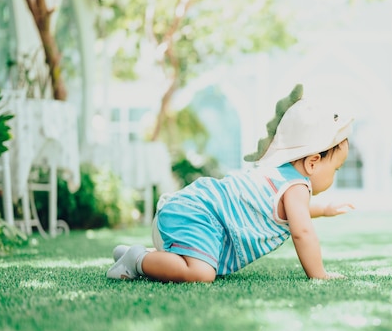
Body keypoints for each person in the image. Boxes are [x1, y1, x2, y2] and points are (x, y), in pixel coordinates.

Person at [106, 84, 354, 283]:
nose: (334, 176)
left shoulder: (280, 177)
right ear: (312, 163)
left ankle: (139, 255)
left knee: (201, 267)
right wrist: (318, 273)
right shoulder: (296, 186)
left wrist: (324, 209)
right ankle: (138, 260)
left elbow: (291, 213)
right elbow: (302, 231)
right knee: (200, 274)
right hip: (199, 214)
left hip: (194, 213)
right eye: (336, 168)